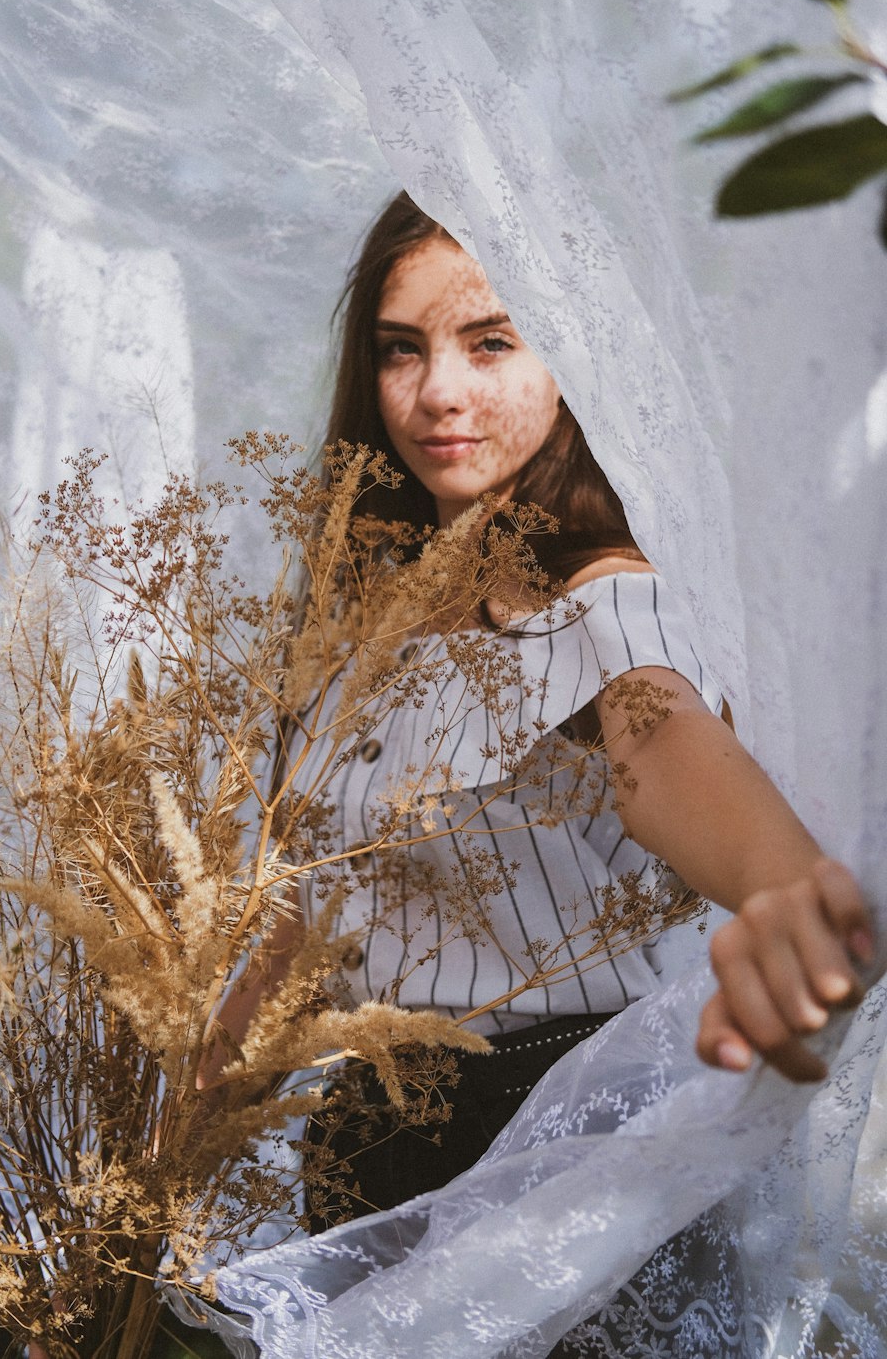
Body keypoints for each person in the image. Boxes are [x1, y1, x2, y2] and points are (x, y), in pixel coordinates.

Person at [215, 191, 874, 1253]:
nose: (438, 393)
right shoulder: (357, 631)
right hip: (365, 1162)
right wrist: (170, 1128)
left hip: (548, 1161)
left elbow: (665, 755)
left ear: (569, 352)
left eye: (490, 344)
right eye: (400, 350)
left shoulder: (606, 605)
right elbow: (314, 925)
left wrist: (794, 902)